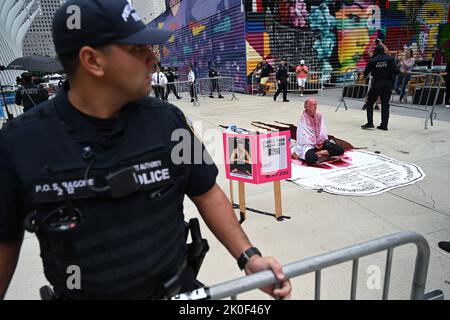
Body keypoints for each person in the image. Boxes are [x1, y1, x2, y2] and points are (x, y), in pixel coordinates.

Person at [0, 0, 291, 300]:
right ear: (93, 61)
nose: (153, 58)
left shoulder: (168, 121)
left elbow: (206, 191)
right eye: (137, 49)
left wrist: (249, 258)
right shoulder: (18, 145)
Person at [293, 98, 344, 165]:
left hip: (321, 143)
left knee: (340, 149)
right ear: (306, 107)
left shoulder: (319, 116)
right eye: (311, 105)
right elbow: (303, 137)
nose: (314, 107)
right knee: (311, 158)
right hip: (309, 145)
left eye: (315, 105)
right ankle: (319, 154)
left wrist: (321, 142)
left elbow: (323, 131)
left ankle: (321, 153)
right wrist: (314, 143)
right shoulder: (303, 119)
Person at [361, 45, 399, 131]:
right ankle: (384, 125)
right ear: (383, 51)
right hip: (388, 83)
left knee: (370, 102)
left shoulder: (373, 60)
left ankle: (370, 123)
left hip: (377, 83)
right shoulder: (390, 59)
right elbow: (396, 71)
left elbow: (366, 72)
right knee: (385, 104)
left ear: (375, 51)